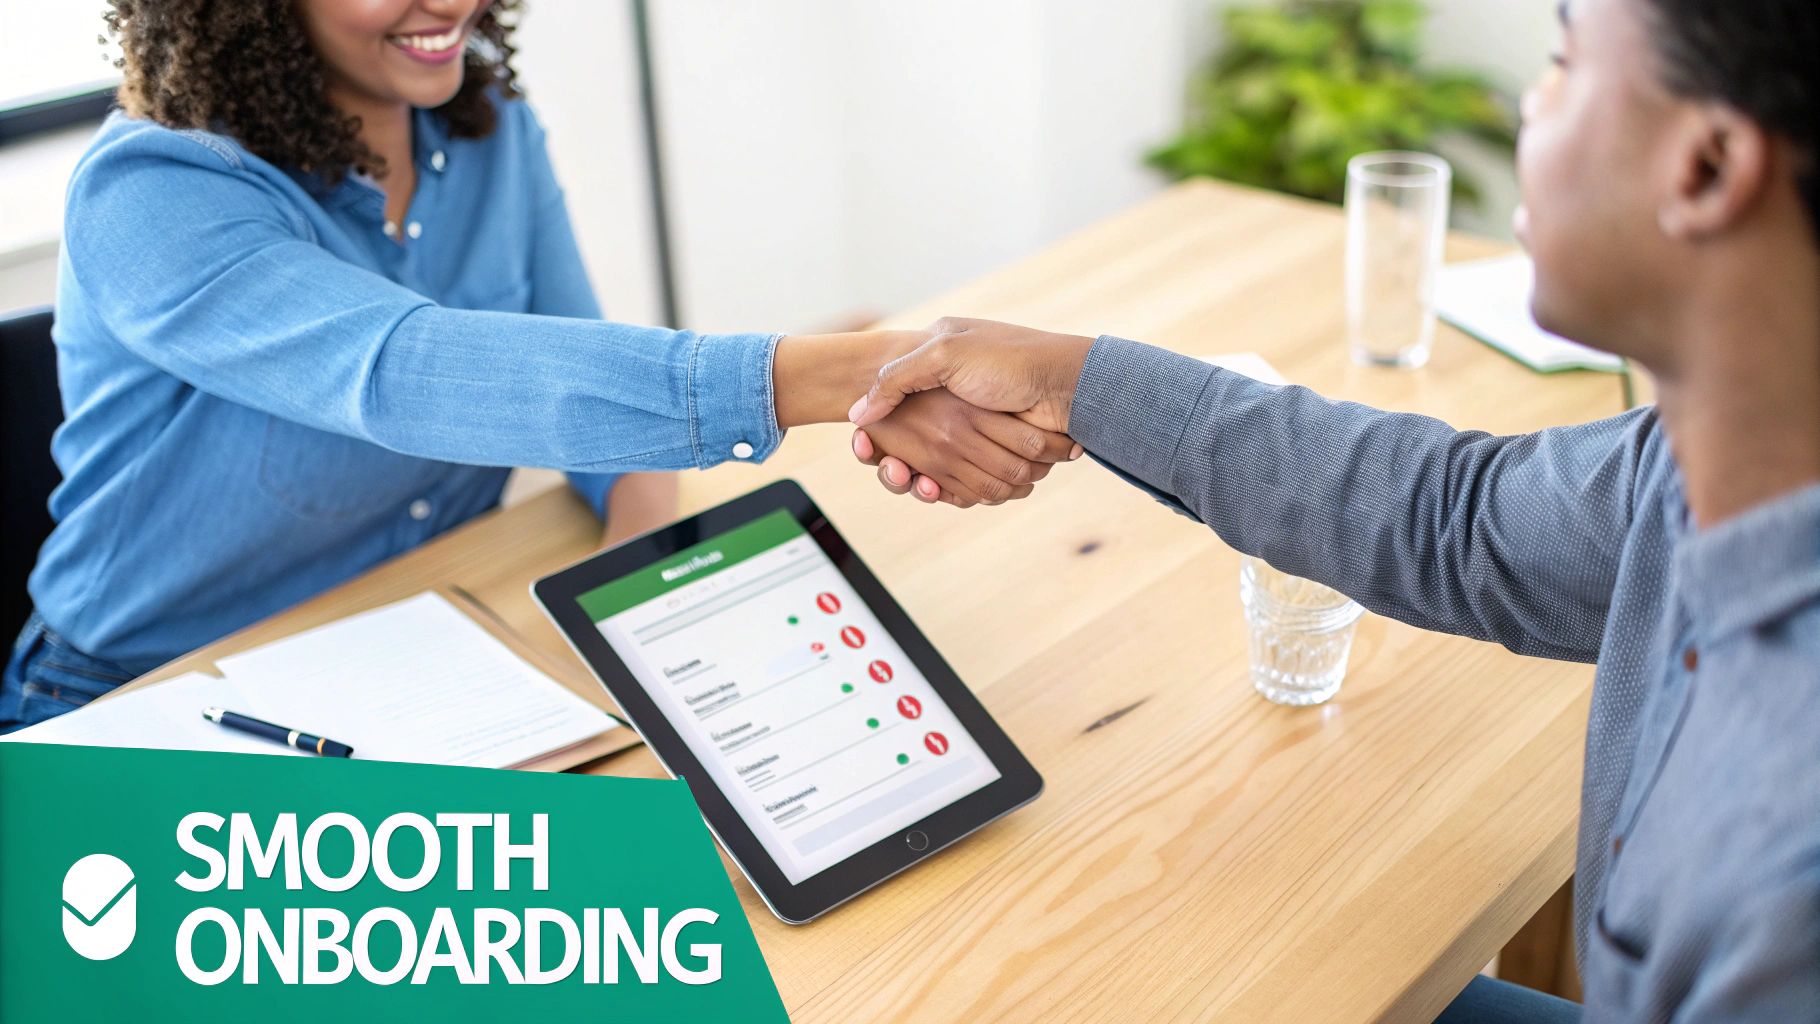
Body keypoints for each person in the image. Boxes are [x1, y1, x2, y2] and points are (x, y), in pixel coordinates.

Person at [851, 0, 1820, 1019]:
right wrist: (1075, 379)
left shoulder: (1785, 856)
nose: (1529, 106)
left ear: (1707, 168)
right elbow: (1454, 519)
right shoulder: (1713, 462)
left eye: (1564, 66)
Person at [0, 0, 1078, 734]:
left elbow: (588, 389)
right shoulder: (152, 190)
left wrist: (645, 595)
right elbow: (403, 372)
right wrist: (862, 372)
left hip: (416, 649)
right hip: (143, 697)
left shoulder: (489, 129)